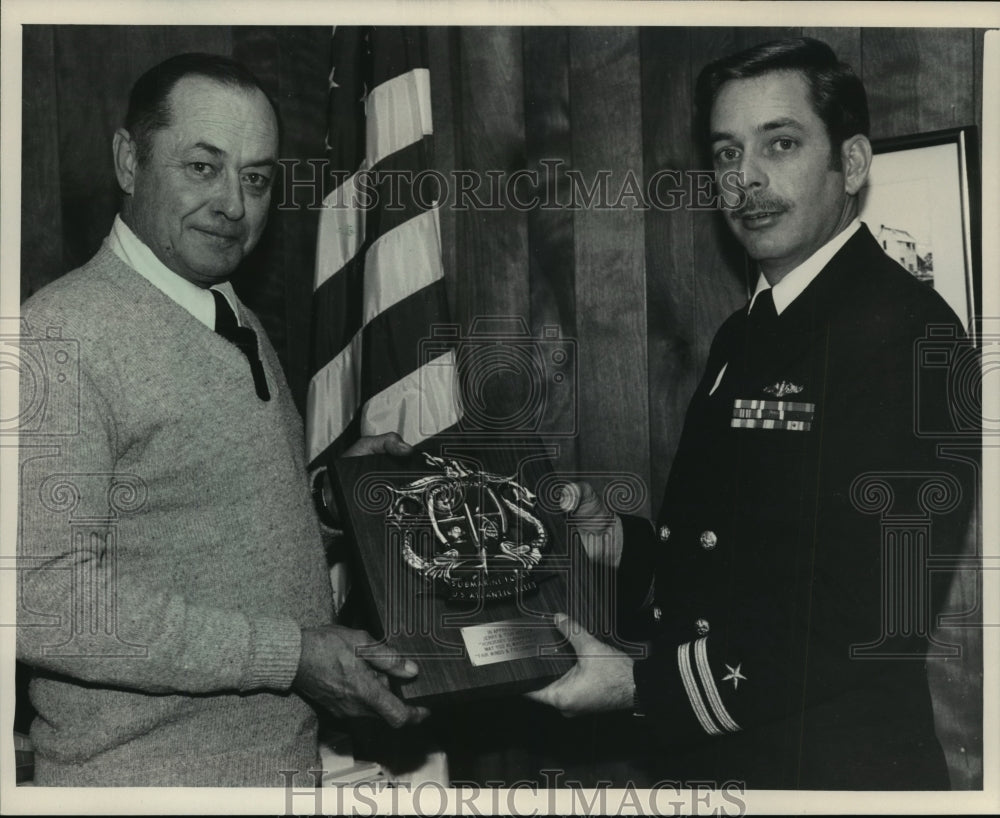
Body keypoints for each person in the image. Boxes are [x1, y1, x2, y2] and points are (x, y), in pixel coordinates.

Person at [528, 38, 977, 789]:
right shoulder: (750, 329)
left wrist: (645, 687)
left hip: (834, 773)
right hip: (729, 760)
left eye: (782, 144)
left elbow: (869, 618)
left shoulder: (910, 334)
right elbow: (727, 555)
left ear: (853, 164)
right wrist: (620, 549)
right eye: (727, 153)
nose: (747, 181)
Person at [16, 53, 427, 787]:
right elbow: (44, 601)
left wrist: (332, 504)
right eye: (203, 168)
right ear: (127, 160)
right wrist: (289, 655)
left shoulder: (226, 309)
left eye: (257, 177)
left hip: (270, 772)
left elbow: (192, 523)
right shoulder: (57, 336)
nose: (235, 205)